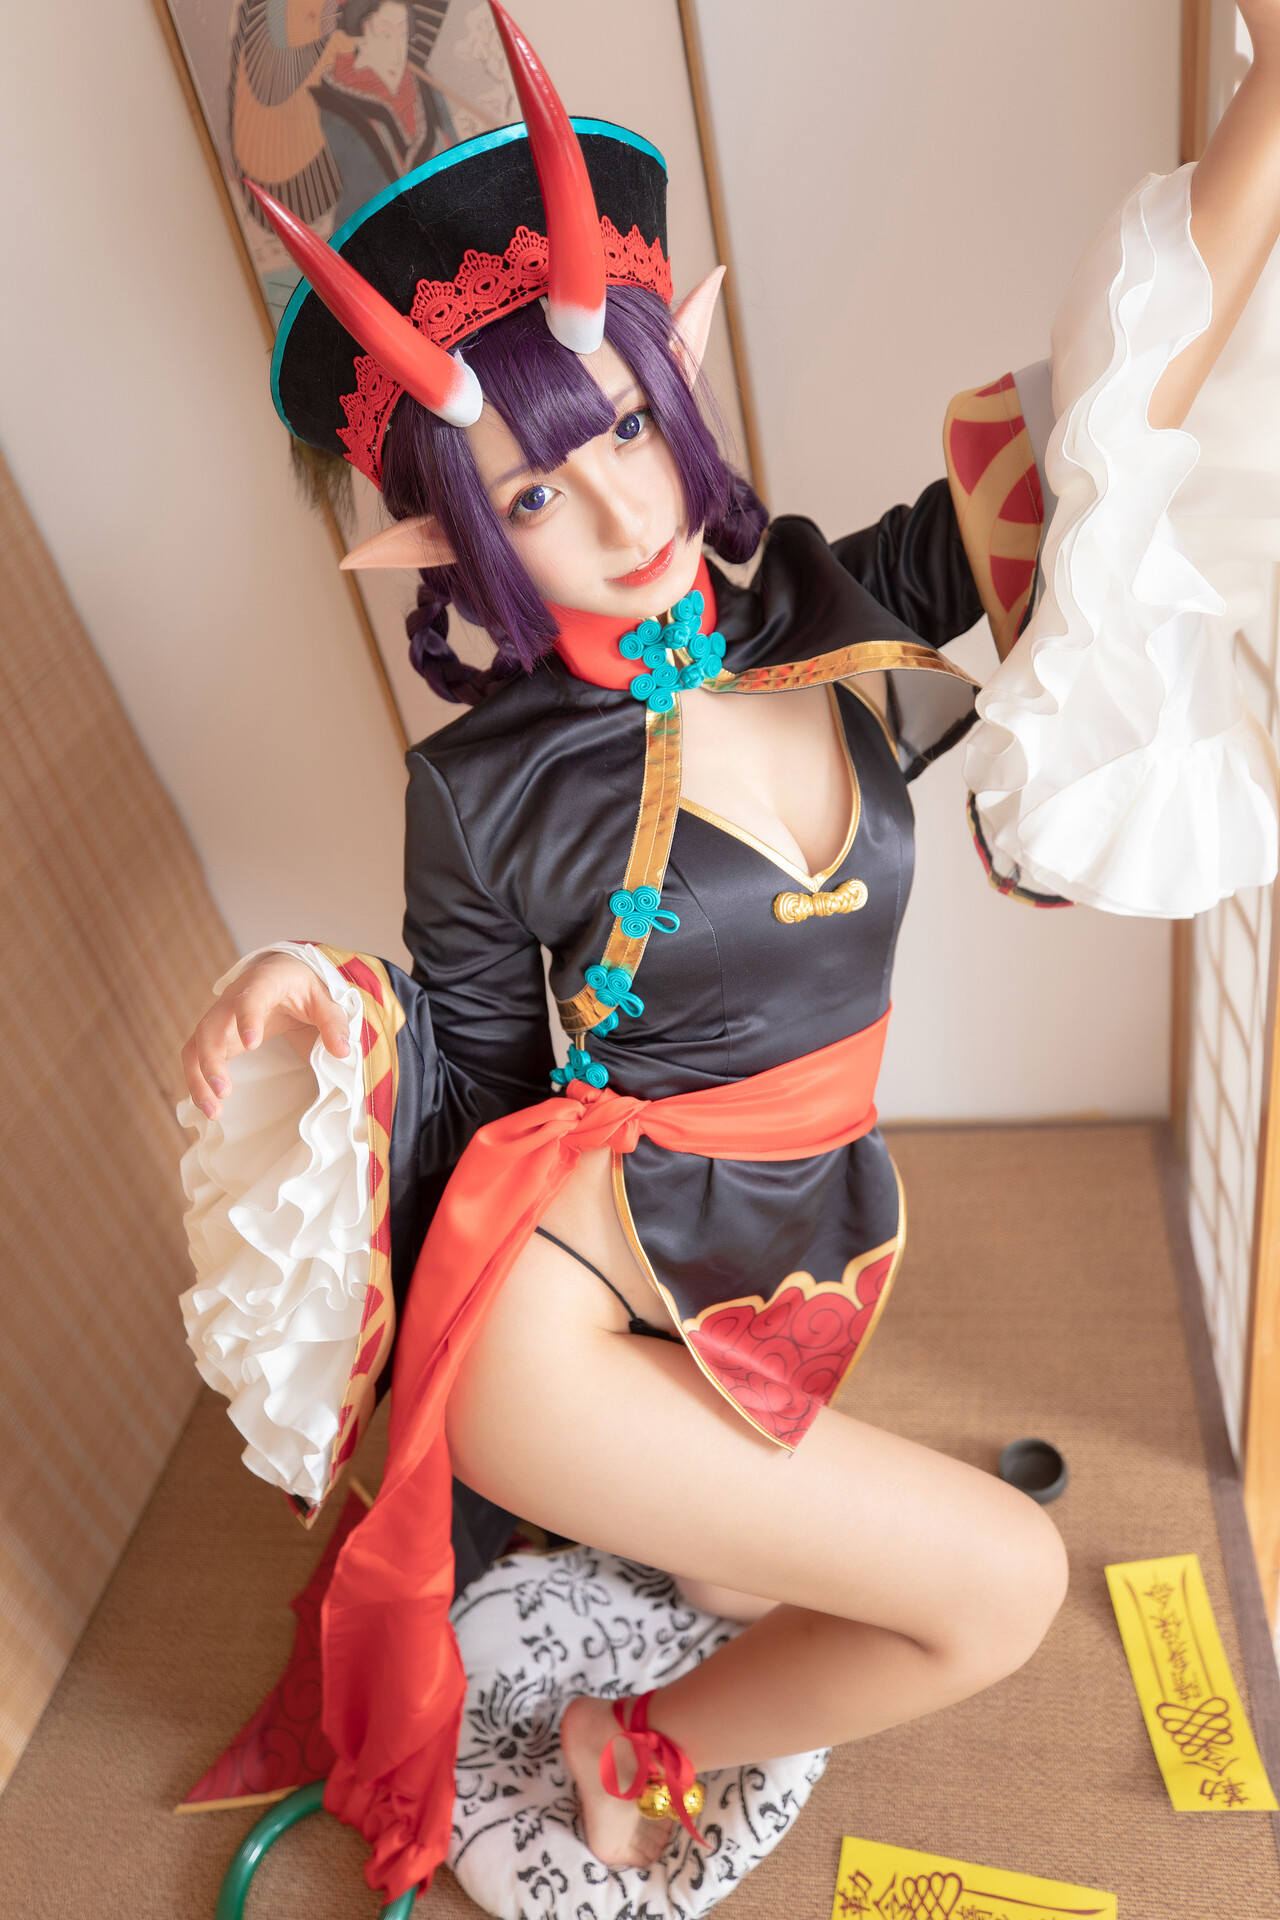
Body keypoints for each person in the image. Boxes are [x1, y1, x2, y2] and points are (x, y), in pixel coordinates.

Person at [179, 1, 1280, 1905]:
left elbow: (1124, 411)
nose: (616, 511)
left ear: (669, 389)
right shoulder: (479, 789)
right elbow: (478, 1097)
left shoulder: (828, 607)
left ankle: (674, 1574)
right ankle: (630, 1745)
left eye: (621, 426)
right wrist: (324, 1009)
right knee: (1004, 1587)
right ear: (460, 542)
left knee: (758, 1586)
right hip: (560, 1332)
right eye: (531, 492)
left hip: (784, 1275)